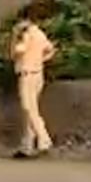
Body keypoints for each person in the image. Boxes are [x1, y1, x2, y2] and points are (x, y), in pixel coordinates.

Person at [10, 9, 56, 158]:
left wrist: (14, 38)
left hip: (27, 74)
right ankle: (27, 146)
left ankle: (44, 139)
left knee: (28, 108)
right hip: (37, 73)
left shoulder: (26, 35)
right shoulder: (40, 34)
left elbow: (17, 52)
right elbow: (50, 49)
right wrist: (41, 60)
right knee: (29, 110)